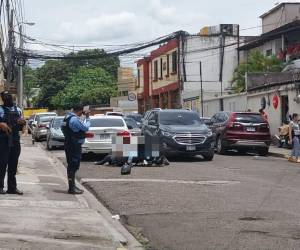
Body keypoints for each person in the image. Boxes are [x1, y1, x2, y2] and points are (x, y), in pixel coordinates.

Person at [0, 91, 26, 195]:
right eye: (5, 97)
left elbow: (23, 124)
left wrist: (23, 123)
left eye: (9, 97)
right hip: (3, 140)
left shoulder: (18, 109)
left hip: (15, 140)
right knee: (2, 164)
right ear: (3, 99)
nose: (8, 99)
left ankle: (12, 188)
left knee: (13, 165)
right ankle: (0, 187)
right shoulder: (0, 109)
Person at [62, 105, 90, 194]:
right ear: (80, 111)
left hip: (69, 143)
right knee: (73, 165)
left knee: (71, 165)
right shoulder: (74, 119)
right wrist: (88, 118)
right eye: (82, 112)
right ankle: (71, 188)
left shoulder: (66, 117)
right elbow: (85, 127)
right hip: (74, 145)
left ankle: (72, 186)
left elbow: (63, 128)